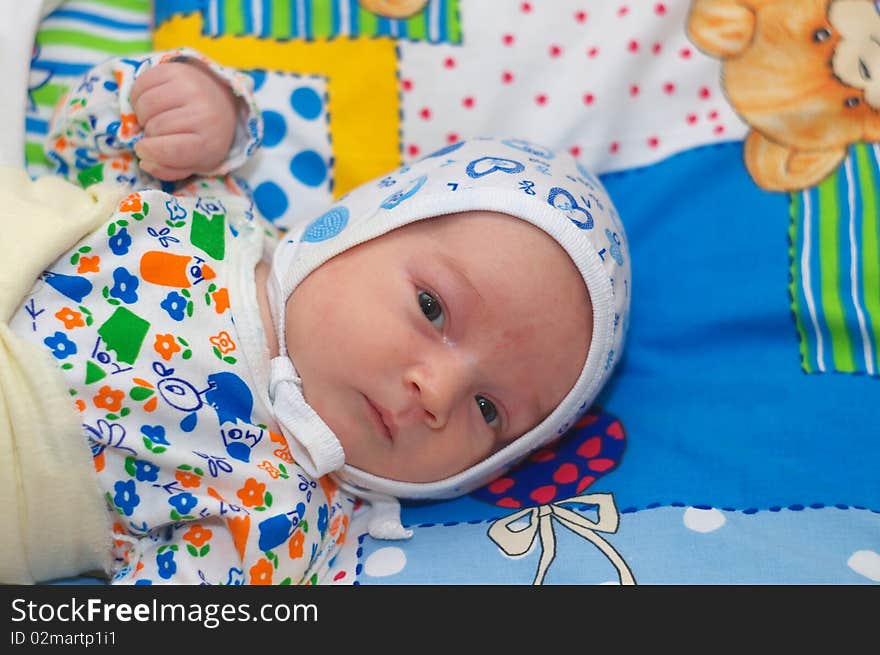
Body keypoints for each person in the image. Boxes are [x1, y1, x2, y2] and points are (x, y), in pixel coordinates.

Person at [1, 48, 630, 585]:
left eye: (488, 411)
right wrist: (178, 103)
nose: (436, 391)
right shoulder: (208, 199)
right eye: (432, 308)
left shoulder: (282, 518)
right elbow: (75, 141)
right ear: (360, 226)